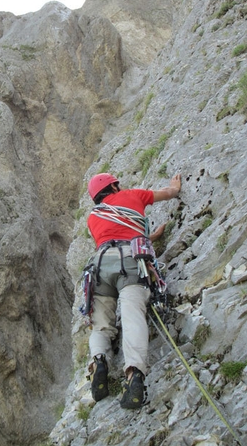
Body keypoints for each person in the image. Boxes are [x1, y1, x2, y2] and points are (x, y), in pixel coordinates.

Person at [86, 172, 182, 408]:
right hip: (130, 260)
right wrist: (174, 186)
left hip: (99, 265)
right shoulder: (132, 195)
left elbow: (111, 236)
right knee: (132, 314)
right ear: (114, 186)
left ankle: (98, 360)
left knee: (101, 323)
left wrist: (150, 236)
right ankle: (134, 376)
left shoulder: (93, 217)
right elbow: (170, 194)